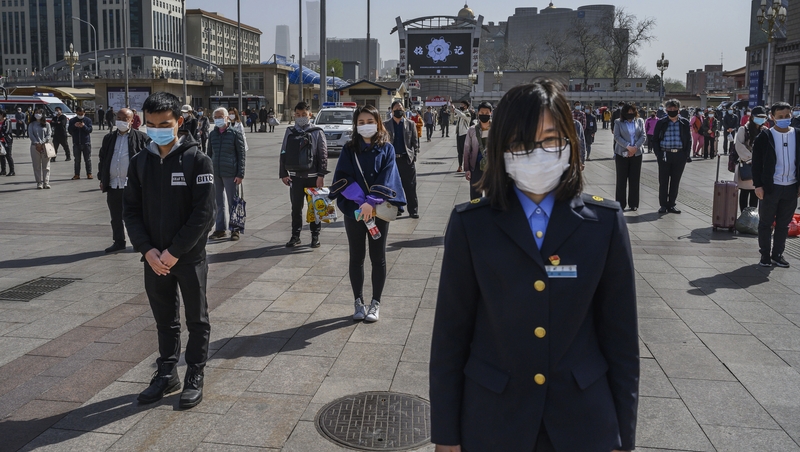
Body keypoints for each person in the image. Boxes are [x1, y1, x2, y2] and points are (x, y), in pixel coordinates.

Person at [430, 80, 638, 452]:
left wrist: (625, 435)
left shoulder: (603, 222)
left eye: (550, 139)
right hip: (493, 418)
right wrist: (446, 435)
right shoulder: (471, 224)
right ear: (501, 149)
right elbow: (450, 336)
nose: (537, 153)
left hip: (583, 419)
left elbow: (621, 339)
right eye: (521, 143)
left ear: (570, 142)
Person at [123, 91, 216, 409]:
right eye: (150, 124)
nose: (157, 130)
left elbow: (204, 213)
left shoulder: (197, 160)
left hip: (188, 257)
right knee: (165, 320)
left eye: (164, 124)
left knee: (197, 319)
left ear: (179, 122)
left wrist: (175, 251)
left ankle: (194, 373)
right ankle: (166, 373)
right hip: (154, 260)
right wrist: (147, 250)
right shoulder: (140, 163)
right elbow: (131, 211)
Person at [329, 104, 406, 323]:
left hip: (378, 211)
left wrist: (371, 202)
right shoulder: (349, 148)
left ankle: (375, 302)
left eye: (369, 122)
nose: (365, 126)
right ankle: (358, 302)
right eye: (361, 123)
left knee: (378, 257)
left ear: (378, 123)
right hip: (354, 209)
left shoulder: (387, 148)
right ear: (355, 125)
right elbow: (342, 176)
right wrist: (362, 203)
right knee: (356, 257)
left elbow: (388, 175)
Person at [752, 102, 800, 268]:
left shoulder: (797, 134)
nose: (785, 119)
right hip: (771, 187)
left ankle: (777, 254)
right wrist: (758, 185)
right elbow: (756, 164)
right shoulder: (765, 137)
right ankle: (765, 255)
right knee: (765, 223)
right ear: (772, 118)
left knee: (783, 224)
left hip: (791, 187)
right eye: (780, 117)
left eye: (787, 116)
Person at [98, 108, 150, 253]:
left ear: (131, 121)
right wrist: (102, 178)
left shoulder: (141, 138)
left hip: (133, 185)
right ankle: (119, 241)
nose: (120, 121)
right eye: (118, 117)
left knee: (136, 215)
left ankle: (138, 242)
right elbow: (103, 159)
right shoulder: (109, 138)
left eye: (124, 118)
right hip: (114, 183)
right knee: (115, 216)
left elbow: (147, 161)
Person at [279, 102, 328, 248]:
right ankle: (296, 235)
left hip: (313, 176)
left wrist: (321, 175)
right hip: (295, 177)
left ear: (310, 115)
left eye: (304, 115)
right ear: (294, 115)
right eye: (298, 115)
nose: (301, 118)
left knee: (315, 207)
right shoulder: (290, 131)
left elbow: (323, 154)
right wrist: (283, 173)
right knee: (296, 208)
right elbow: (283, 152)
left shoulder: (317, 131)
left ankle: (315, 236)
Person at [208, 108, 247, 242]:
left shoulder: (235, 134)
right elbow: (208, 154)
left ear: (227, 118)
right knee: (218, 203)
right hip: (216, 172)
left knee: (233, 202)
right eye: (216, 117)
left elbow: (241, 155)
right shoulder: (212, 134)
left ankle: (235, 229)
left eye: (221, 116)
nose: (218, 119)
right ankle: (220, 229)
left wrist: (240, 174)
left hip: (231, 173)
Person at [653, 99, 692, 214]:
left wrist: (686, 155)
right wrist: (658, 154)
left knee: (675, 181)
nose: (672, 111)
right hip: (665, 154)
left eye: (674, 109)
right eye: (669, 109)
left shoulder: (684, 122)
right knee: (663, 181)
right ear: (666, 110)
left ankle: (672, 204)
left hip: (679, 154)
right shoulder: (661, 122)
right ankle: (663, 205)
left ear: (678, 110)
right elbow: (655, 139)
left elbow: (688, 140)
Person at [385, 101, 420, 218]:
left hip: (406, 159)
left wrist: (413, 156)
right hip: (392, 160)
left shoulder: (410, 124)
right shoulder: (386, 125)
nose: (398, 110)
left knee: (410, 186)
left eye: (400, 108)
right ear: (391, 110)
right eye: (396, 108)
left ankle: (413, 210)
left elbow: (415, 141)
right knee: (393, 187)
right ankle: (397, 209)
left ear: (404, 110)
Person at [613, 103, 646, 211]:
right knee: (621, 179)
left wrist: (635, 147)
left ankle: (633, 203)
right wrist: (628, 146)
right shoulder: (618, 122)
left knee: (634, 179)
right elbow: (617, 136)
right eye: (628, 112)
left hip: (637, 153)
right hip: (622, 153)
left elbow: (643, 135)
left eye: (632, 112)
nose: (630, 114)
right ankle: (620, 203)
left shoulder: (640, 121)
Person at [734, 106, 766, 215]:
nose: (761, 119)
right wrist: (751, 158)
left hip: (760, 166)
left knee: (756, 191)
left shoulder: (765, 130)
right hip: (747, 164)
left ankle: (752, 217)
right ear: (752, 117)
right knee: (744, 191)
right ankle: (743, 216)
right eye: (759, 117)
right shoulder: (743, 129)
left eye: (763, 117)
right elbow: (739, 146)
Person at [463, 101, 492, 200]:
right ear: (478, 113)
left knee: (491, 196)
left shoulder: (496, 129)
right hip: (475, 167)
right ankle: (476, 215)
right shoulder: (472, 130)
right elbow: (467, 149)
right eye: (482, 113)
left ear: (490, 113)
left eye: (487, 113)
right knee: (475, 198)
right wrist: (467, 169)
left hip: (492, 167)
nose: (484, 115)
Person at [28, 108, 52, 189]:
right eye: (36, 112)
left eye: (39, 112)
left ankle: (46, 182)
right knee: (36, 165)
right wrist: (37, 143)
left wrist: (42, 143)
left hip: (45, 146)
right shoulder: (31, 124)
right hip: (35, 147)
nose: (38, 114)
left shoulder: (47, 124)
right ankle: (39, 182)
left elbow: (49, 134)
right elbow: (31, 135)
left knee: (46, 166)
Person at [68, 106, 93, 180]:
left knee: (87, 159)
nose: (80, 115)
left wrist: (84, 126)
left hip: (86, 143)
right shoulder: (72, 120)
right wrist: (75, 126)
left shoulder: (88, 120)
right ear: (76, 113)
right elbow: (70, 131)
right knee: (77, 160)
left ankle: (89, 173)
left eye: (82, 113)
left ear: (84, 113)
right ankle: (76, 174)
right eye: (79, 113)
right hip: (76, 143)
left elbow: (90, 130)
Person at [453, 101, 471, 173]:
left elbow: (462, 115)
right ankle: (460, 165)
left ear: (466, 106)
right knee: (459, 151)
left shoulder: (468, 114)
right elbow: (454, 118)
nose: (461, 106)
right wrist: (452, 112)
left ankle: (467, 166)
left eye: (462, 105)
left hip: (464, 134)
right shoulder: (460, 114)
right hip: (459, 134)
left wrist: (455, 109)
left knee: (465, 151)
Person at [0, 110, 16, 176]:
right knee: (1, 155)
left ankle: (12, 171)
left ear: (2, 114)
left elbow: (7, 131)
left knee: (8, 156)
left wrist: (2, 136)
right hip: (0, 141)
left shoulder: (7, 121)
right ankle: (3, 170)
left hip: (6, 141)